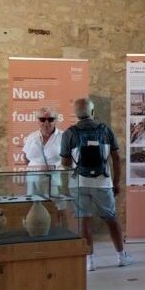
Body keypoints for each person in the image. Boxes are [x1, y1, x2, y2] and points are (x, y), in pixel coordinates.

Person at [61, 97, 131, 271]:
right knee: (111, 219)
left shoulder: (69, 133)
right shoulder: (105, 130)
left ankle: (89, 261)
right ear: (92, 112)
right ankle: (121, 256)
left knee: (84, 220)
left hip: (79, 183)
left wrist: (78, 164)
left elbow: (65, 162)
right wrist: (115, 182)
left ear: (76, 114)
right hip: (103, 182)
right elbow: (116, 158)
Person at [22, 106, 66, 224]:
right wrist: (34, 168)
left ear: (56, 120)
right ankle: (35, 233)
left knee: (58, 208)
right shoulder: (32, 137)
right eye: (42, 119)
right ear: (38, 121)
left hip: (55, 179)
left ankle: (61, 234)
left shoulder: (64, 137)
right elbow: (25, 158)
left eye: (50, 119)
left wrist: (55, 167)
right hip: (33, 179)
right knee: (33, 207)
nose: (46, 123)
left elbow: (70, 161)